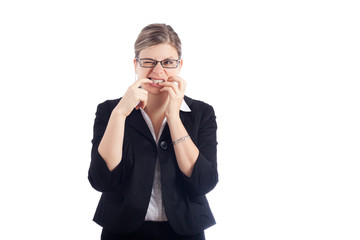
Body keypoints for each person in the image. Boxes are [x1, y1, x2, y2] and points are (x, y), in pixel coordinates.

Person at [88, 23, 218, 240]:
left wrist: (174, 117)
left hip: (185, 231)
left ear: (179, 65)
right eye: (148, 62)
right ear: (135, 65)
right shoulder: (110, 111)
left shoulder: (201, 113)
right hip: (122, 231)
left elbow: (203, 183)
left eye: (168, 62)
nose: (158, 71)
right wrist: (120, 113)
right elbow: (101, 180)